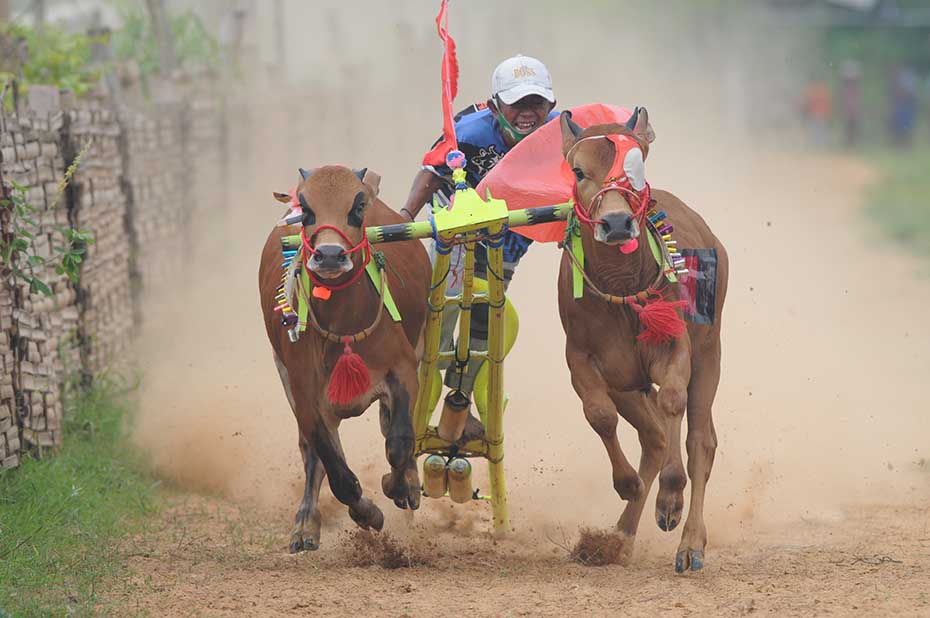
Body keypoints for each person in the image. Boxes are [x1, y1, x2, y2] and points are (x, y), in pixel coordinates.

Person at [400, 55, 558, 441]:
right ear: (495, 106)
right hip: (458, 232)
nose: (528, 113)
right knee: (447, 312)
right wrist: (405, 217)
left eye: (536, 102)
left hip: (509, 238)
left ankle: (461, 398)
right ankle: (415, 405)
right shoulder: (468, 131)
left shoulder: (562, 135)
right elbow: (431, 172)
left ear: (551, 104)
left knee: (487, 322)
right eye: (517, 103)